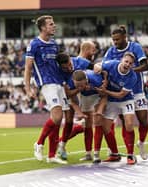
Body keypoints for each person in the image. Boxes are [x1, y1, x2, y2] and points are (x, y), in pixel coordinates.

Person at [24, 15, 70, 164]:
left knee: (59, 119)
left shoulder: (54, 44)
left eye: (53, 24)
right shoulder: (35, 44)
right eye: (51, 24)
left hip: (58, 82)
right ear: (43, 27)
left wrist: (64, 81)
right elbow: (28, 67)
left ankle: (51, 155)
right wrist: (27, 87)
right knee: (56, 116)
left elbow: (58, 66)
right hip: (46, 82)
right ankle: (39, 143)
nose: (54, 26)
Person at [103, 25, 148, 161]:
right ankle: (128, 153)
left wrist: (129, 72)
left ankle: (141, 143)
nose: (115, 42)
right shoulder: (111, 51)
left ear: (124, 37)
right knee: (126, 122)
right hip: (121, 92)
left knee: (143, 120)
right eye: (113, 40)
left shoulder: (135, 47)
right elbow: (105, 67)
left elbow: (146, 66)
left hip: (137, 90)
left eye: (117, 39)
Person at [95, 52, 139, 164]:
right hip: (112, 101)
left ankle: (130, 155)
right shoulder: (112, 64)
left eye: (130, 63)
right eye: (126, 61)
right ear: (121, 60)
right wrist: (98, 69)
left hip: (125, 100)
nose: (127, 64)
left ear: (132, 65)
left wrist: (105, 91)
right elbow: (97, 65)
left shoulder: (133, 76)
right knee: (105, 128)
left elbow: (121, 94)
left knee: (129, 124)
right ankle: (114, 154)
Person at [67, 69, 107, 163]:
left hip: (98, 95)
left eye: (82, 85)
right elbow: (73, 100)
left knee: (98, 121)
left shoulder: (96, 79)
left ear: (86, 80)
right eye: (77, 86)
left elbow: (104, 95)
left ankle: (97, 154)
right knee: (87, 125)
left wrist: (100, 109)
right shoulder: (71, 82)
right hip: (85, 97)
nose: (80, 87)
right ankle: (88, 154)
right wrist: (79, 113)